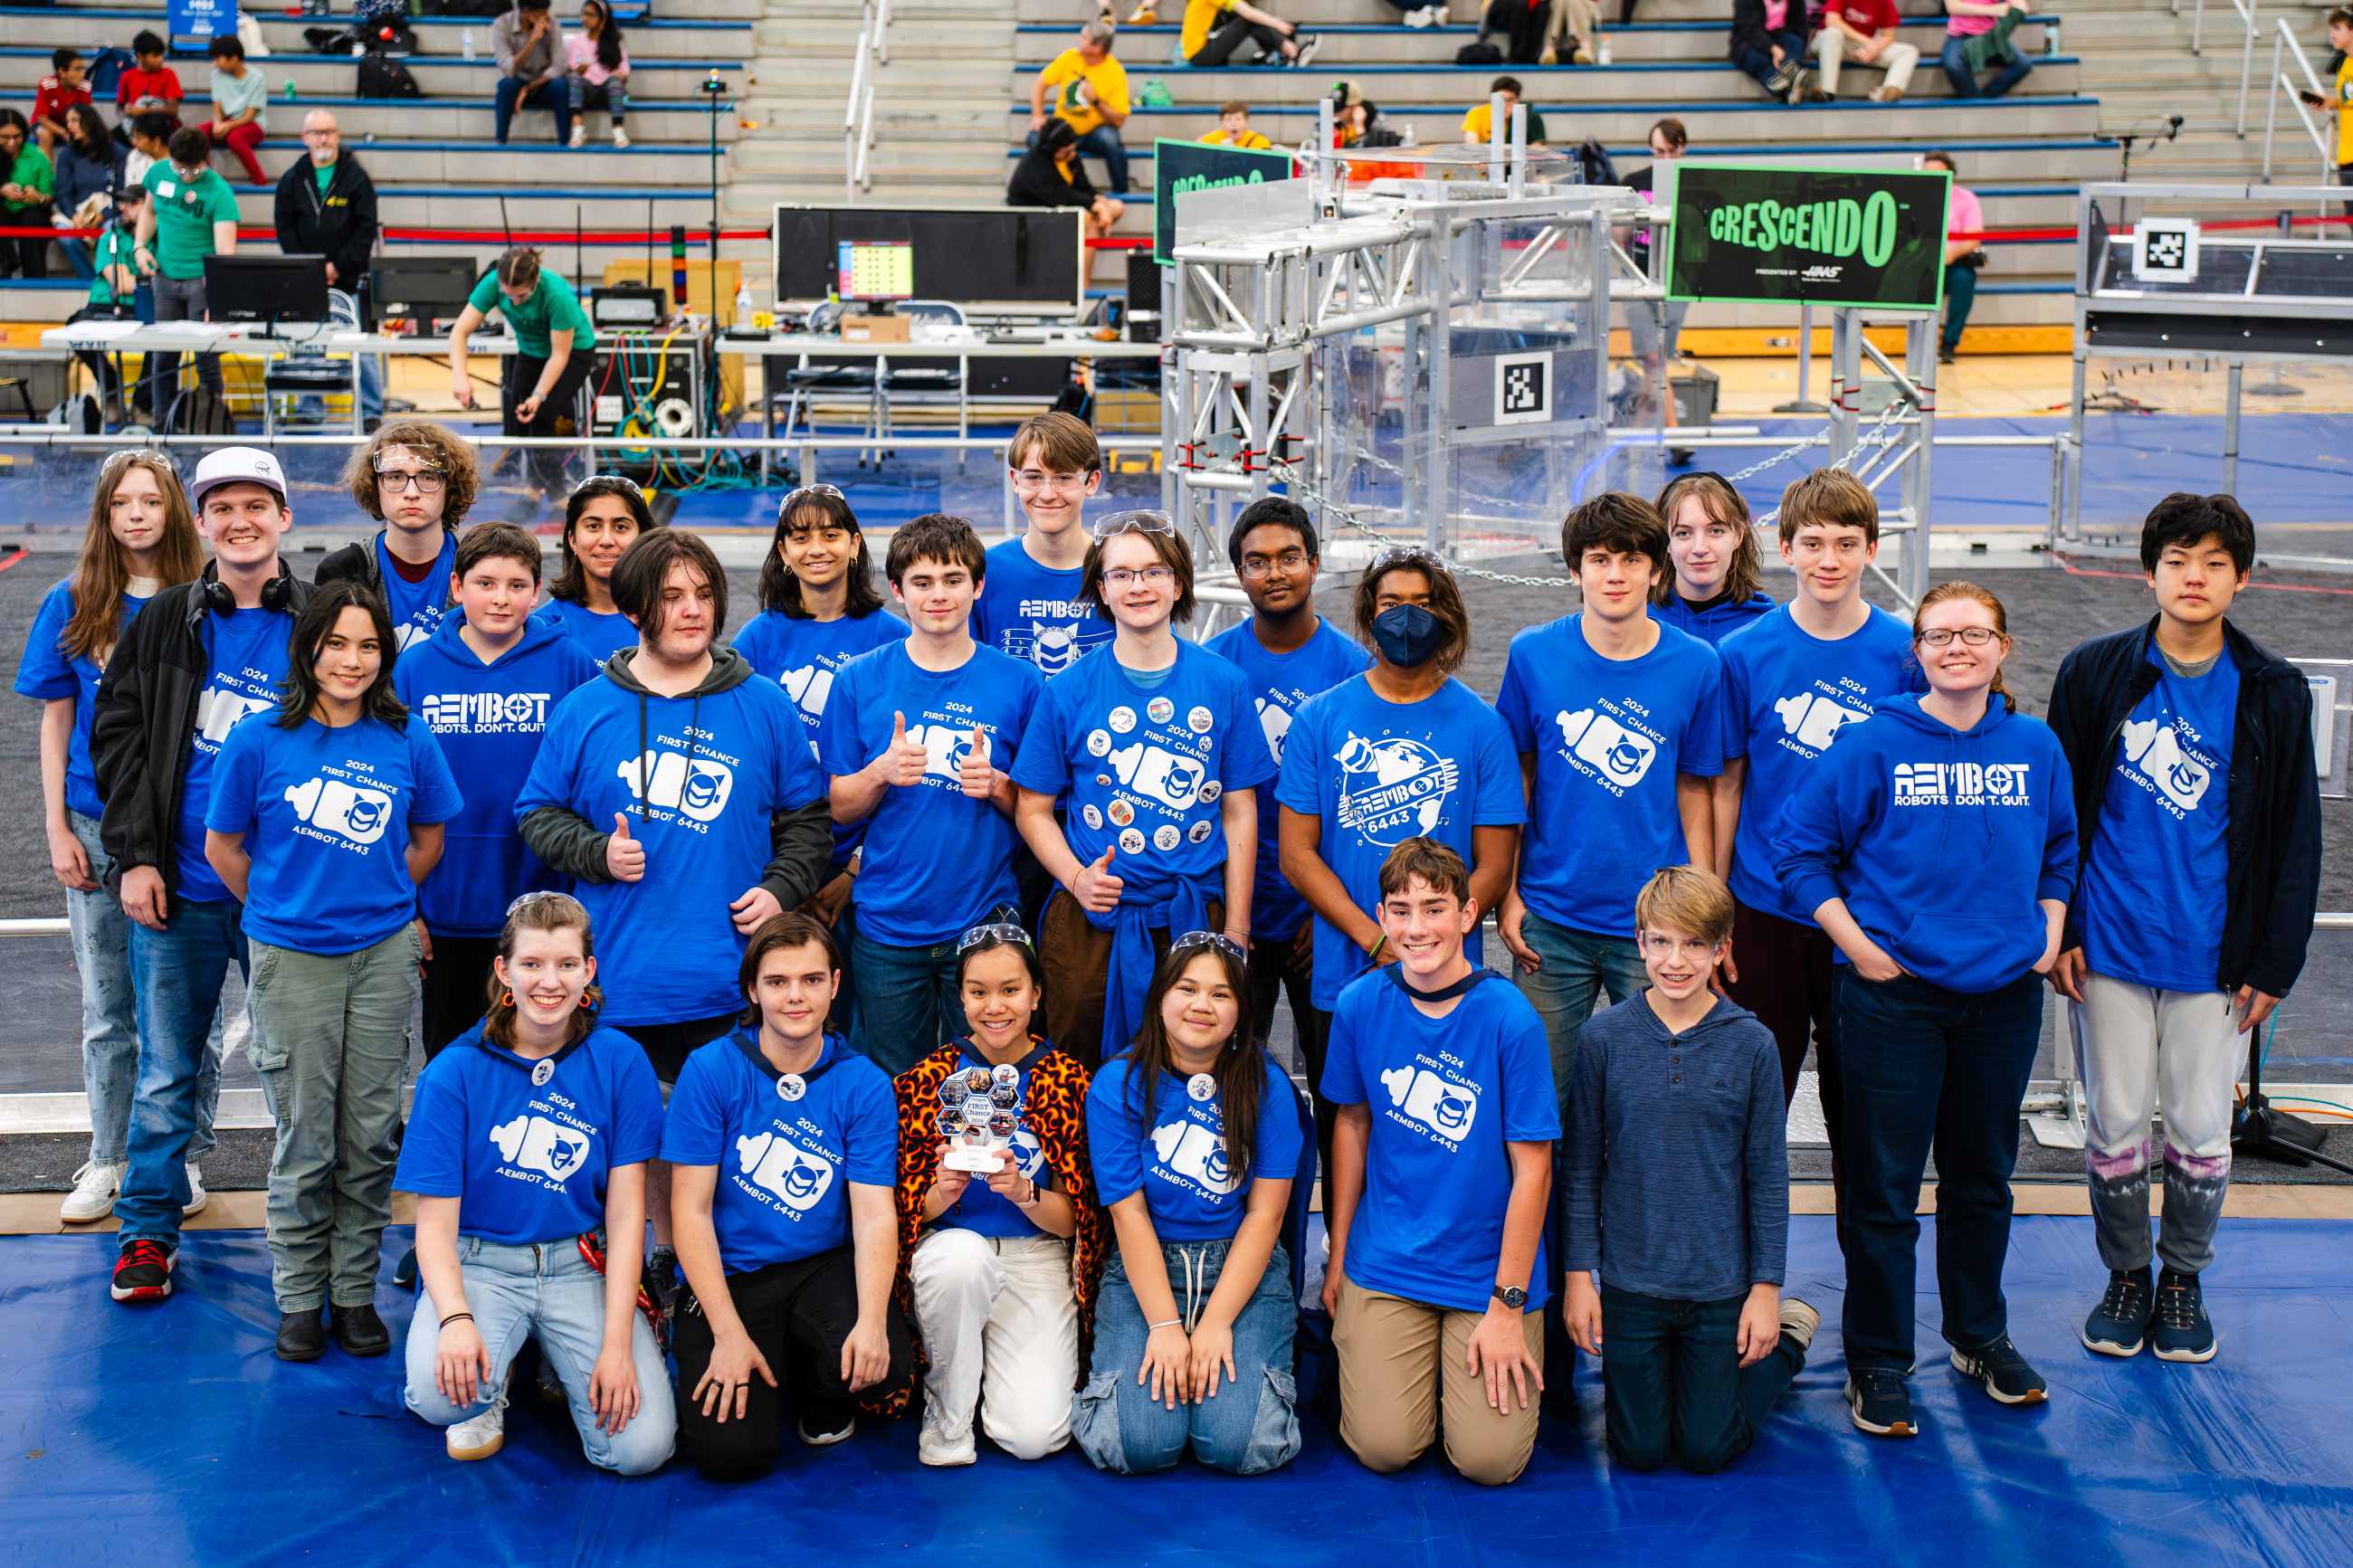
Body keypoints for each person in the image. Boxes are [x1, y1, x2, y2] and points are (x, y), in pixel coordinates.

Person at [1772, 581, 2076, 1440]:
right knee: (1884, 1187)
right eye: (1940, 635)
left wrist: (2049, 930)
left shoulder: (2035, 745)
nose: (1957, 648)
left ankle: (1979, 1336)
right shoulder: (1872, 743)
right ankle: (1878, 1358)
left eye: (1974, 634)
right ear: (1918, 652)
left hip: (2002, 998)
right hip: (1892, 999)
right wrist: (1860, 947)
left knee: (1982, 1178)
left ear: (2003, 648)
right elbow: (1799, 853)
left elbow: (2060, 846)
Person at [516, 529, 832, 1288]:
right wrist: (597, 852)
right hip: (626, 978)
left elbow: (809, 820)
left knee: (734, 1136)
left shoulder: (763, 703)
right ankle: (653, 1263)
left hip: (732, 979)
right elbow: (536, 813)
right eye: (671, 598)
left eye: (703, 594)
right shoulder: (586, 708)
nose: (693, 610)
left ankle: (725, 1273)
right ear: (633, 610)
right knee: (635, 1144)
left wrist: (781, 888)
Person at [2047, 493, 2320, 1365]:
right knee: (2114, 1123)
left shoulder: (2273, 689)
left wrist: (2274, 960)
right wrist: (2062, 927)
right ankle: (2127, 1274)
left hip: (2217, 957)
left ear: (2241, 579)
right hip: (2110, 945)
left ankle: (2183, 1278)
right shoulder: (2094, 672)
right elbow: (2058, 815)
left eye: (2213, 563)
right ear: (2150, 572)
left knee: (2202, 1129)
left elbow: (2297, 835)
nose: (2193, 576)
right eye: (2177, 560)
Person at [204, 581, 461, 1360]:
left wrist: (379, 903)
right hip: (292, 960)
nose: (352, 660)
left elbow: (428, 840)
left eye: (369, 645)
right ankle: (297, 1295)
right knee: (306, 1137)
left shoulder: (406, 738)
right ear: (308, 647)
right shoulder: (258, 739)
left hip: (382, 957)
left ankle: (353, 1292)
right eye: (337, 643)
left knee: (371, 1134)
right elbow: (224, 848)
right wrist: (287, 910)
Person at [94, 447, 315, 1306]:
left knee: (298, 1075)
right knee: (165, 1072)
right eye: (222, 507)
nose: (240, 521)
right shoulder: (166, 620)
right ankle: (147, 1232)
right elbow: (118, 738)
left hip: (287, 894)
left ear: (284, 516)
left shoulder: (322, 619)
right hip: (180, 885)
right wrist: (137, 856)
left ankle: (312, 1234)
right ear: (202, 522)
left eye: (257, 505)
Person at [394, 891, 674, 1471]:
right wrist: (456, 1320)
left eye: (566, 964)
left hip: (582, 1262)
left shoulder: (621, 1061)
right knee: (441, 1397)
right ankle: (493, 1378)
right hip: (482, 1264)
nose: (550, 982)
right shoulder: (454, 1071)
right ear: (504, 971)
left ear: (589, 971)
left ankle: (553, 1352)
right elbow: (435, 1227)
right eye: (532, 964)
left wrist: (616, 1344)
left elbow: (627, 1216)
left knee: (640, 1452)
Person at [1561, 866, 1815, 1475]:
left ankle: (1788, 1342)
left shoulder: (1753, 1044)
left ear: (1722, 949)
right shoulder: (1602, 1038)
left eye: (1695, 944)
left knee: (1706, 1449)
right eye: (1661, 941)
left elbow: (1768, 1173)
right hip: (1633, 1282)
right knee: (1639, 1450)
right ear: (1640, 941)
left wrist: (1765, 1288)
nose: (1675, 961)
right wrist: (1578, 1276)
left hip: (1719, 1283)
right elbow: (1581, 1167)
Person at [1321, 839, 1558, 1487]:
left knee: (1489, 1461)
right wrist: (1338, 1254)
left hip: (1485, 1272)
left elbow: (1534, 1171)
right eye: (1401, 911)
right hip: (1388, 1260)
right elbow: (1352, 1124)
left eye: (1434, 908)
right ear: (1381, 916)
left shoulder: (1510, 1018)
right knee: (1384, 1447)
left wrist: (1507, 1305)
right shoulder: (1359, 1003)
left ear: (1468, 913)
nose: (1417, 927)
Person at [18, 451, 208, 1224]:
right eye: (122, 501)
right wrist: (57, 826)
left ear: (173, 511)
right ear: (104, 513)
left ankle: (183, 1157)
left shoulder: (206, 597)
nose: (136, 514)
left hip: (184, 831)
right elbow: (55, 719)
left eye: (151, 501)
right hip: (98, 827)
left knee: (184, 1005)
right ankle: (108, 1156)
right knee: (109, 1005)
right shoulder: (74, 599)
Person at [1010, 514, 1276, 1066]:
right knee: (1081, 1074)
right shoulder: (1067, 690)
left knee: (1195, 1070)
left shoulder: (1223, 683)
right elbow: (1032, 807)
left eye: (1155, 571)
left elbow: (1239, 810)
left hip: (1193, 913)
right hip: (1093, 921)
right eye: (1122, 574)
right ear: (1101, 589)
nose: (1139, 586)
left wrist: (1236, 927)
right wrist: (1077, 878)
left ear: (1178, 585)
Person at [1712, 468, 1917, 1175]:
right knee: (1749, 1109)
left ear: (1872, 550)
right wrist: (1718, 905)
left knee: (1863, 1116)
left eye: (1846, 543)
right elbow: (1728, 783)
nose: (1829, 560)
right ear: (1785, 548)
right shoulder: (1743, 654)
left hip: (1866, 911)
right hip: (1764, 908)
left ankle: (1867, 1249)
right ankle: (1747, 1249)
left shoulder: (1906, 654)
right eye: (1813, 543)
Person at [1496, 492, 1725, 1119]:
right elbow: (1518, 776)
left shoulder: (1696, 665)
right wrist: (1508, 893)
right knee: (1540, 1104)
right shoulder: (1532, 654)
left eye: (1631, 559)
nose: (1615, 574)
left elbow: (1695, 787)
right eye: (1599, 559)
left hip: (1657, 924)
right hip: (1551, 917)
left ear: (1657, 569)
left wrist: (1704, 909)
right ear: (1576, 571)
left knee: (1659, 1104)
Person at [663, 914, 917, 1478]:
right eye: (777, 981)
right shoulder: (711, 1070)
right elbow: (690, 1211)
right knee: (731, 1457)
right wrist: (727, 1334)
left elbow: (874, 1215)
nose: (795, 996)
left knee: (889, 1366)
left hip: (822, 1266)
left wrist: (871, 1321)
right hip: (733, 1272)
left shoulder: (864, 1083)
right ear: (753, 990)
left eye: (811, 979)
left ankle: (817, 1389)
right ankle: (750, 1353)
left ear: (835, 983)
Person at [1276, 547, 1522, 1055]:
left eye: (1423, 603)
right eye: (1391, 603)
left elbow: (1496, 866)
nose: (1406, 616)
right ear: (1370, 615)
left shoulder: (1484, 727)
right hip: (1345, 974)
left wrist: (1428, 939)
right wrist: (1376, 939)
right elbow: (1297, 855)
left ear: (1445, 614)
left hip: (1448, 978)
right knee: (1339, 1105)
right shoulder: (1318, 718)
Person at [1076, 933, 1302, 1476]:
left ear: (1241, 1010)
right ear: (1160, 997)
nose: (1202, 1005)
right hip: (1149, 1262)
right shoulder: (1118, 1084)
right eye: (1188, 988)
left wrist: (1217, 1322)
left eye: (1221, 994)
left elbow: (1266, 1215)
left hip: (1239, 1265)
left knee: (1239, 1446)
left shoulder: (1267, 1086)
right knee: (1138, 1445)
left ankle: (1221, 1396)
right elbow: (1128, 1214)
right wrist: (1163, 1325)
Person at [824, 515, 1043, 1071]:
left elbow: (1041, 812)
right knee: (896, 1084)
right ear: (897, 591)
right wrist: (879, 772)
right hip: (888, 922)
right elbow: (838, 807)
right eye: (922, 582)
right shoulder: (857, 680)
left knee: (991, 1081)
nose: (938, 595)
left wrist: (998, 786)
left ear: (978, 586)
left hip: (984, 917)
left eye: (952, 579)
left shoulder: (1022, 682)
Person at [892, 925, 1102, 1465]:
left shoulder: (1071, 1082)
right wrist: (942, 1193)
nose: (994, 1006)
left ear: (1036, 994)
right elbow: (904, 1214)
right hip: (952, 1249)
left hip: (1035, 1254)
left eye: (1010, 990)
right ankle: (948, 1411)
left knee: (1033, 1438)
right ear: (960, 998)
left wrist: (1026, 1193)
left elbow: (1075, 1222)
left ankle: (987, 1366)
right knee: (960, 1263)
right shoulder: (923, 1081)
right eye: (978, 991)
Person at [1204, 498, 1368, 1178]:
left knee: (1338, 1086)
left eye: (1289, 558)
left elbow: (1363, 808)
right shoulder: (1213, 667)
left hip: (1320, 919)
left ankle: (1342, 1226)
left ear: (1315, 564)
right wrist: (1229, 914)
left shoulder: (1354, 668)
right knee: (1226, 1081)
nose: (1274, 573)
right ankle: (1241, 1218)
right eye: (1257, 561)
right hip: (1235, 910)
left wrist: (1325, 908)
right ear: (1238, 573)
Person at [394, 522, 599, 1055]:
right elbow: (394, 793)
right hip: (444, 906)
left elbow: (586, 780)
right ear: (457, 587)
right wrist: (408, 905)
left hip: (543, 908)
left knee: (544, 1055)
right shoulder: (415, 668)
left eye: (516, 585)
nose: (501, 599)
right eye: (485, 583)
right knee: (452, 1056)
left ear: (537, 591)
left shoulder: (570, 663)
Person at [731, 484, 909, 1035]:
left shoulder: (894, 637)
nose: (816, 548)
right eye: (800, 537)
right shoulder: (757, 640)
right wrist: (789, 878)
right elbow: (744, 762)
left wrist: (854, 871)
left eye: (831, 534)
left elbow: (907, 771)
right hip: (778, 860)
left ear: (854, 544)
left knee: (861, 1028)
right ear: (782, 552)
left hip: (870, 867)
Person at [449, 247, 597, 503]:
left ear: (535, 280)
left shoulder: (557, 295)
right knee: (519, 412)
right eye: (507, 296)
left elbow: (559, 356)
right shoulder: (492, 282)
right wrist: (460, 376)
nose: (514, 303)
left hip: (573, 352)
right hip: (531, 350)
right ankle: (535, 487)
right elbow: (459, 331)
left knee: (543, 414)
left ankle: (557, 494)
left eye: (521, 296)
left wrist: (538, 396)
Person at [976, 413, 1114, 678]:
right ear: (1015, 480)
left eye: (1064, 478)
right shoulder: (984, 572)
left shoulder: (1123, 571)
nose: (1048, 494)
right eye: (1034, 477)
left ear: (1092, 482)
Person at [317, 423, 476, 652]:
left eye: (428, 477)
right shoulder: (341, 571)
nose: (411, 493)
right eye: (395, 476)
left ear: (449, 487)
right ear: (375, 486)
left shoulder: (479, 568)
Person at [272, 109, 385, 424]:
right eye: (316, 132)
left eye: (329, 132)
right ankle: (309, 409)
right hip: (307, 281)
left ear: (337, 136)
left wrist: (337, 266)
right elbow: (285, 228)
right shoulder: (292, 179)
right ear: (304, 138)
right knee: (308, 344)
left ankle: (371, 411)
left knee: (363, 346)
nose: (323, 138)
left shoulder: (357, 178)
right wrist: (310, 268)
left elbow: (365, 229)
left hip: (350, 279)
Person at [135, 125, 239, 422]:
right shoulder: (158, 174)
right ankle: (161, 425)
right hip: (165, 279)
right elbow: (149, 212)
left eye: (191, 171)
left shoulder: (219, 192)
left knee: (206, 357)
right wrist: (140, 246)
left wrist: (216, 296)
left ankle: (211, 425)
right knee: (163, 359)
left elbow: (224, 252)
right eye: (179, 169)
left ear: (204, 161)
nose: (185, 176)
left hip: (199, 283)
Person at [1619, 119, 1692, 463]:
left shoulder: (1694, 185)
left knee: (1657, 362)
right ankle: (1675, 434)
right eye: (1657, 152)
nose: (1663, 158)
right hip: (1638, 277)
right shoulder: (1635, 183)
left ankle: (1636, 435)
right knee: (1653, 358)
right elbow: (1619, 232)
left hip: (1676, 281)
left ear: (1682, 149)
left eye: (1669, 151)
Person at [542, 474, 661, 660]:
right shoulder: (545, 626)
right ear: (572, 540)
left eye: (620, 527)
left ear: (642, 538)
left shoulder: (669, 620)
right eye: (593, 526)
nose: (606, 540)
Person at [1652, 470, 1772, 646]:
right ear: (1665, 541)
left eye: (1715, 531)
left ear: (1738, 536)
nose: (1700, 548)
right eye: (1683, 533)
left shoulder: (1764, 628)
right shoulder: (1637, 619)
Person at [65, 185, 148, 420]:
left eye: (133, 203)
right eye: (122, 202)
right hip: (104, 304)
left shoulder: (159, 238)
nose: (123, 207)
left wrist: (140, 282)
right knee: (75, 328)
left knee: (165, 343)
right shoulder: (110, 238)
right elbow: (122, 284)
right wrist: (150, 280)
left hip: (143, 306)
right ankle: (111, 389)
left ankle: (144, 402)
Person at [1029, 20, 1132, 195]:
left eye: (1084, 38)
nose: (1078, 40)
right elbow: (1040, 84)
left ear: (1097, 48)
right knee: (1035, 137)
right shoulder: (1070, 57)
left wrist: (1096, 101)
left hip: (1092, 134)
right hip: (1063, 129)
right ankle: (1047, 191)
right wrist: (1038, 116)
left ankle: (1121, 194)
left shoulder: (1115, 71)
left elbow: (1119, 120)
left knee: (1110, 139)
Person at [1005, 118, 1128, 247]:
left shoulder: (1070, 158)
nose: (1072, 154)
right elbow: (1059, 194)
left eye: (1073, 149)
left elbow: (1083, 186)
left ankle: (1077, 254)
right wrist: (1094, 205)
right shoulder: (1034, 164)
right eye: (1067, 151)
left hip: (1061, 208)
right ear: (1053, 149)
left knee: (1116, 206)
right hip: (1033, 216)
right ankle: (1076, 259)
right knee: (1087, 220)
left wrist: (1097, 198)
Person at [51, 103, 125, 283]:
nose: (69, 126)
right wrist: (73, 215)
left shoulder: (117, 152)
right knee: (66, 237)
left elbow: (121, 191)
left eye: (74, 120)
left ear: (90, 122)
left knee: (111, 231)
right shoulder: (67, 154)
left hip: (109, 212)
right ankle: (90, 281)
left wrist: (103, 215)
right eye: (67, 121)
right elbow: (63, 191)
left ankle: (112, 279)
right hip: (78, 212)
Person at [1926, 151, 1982, 366]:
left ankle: (1949, 344)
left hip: (1954, 262)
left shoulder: (1966, 198)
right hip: (1922, 263)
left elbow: (1973, 237)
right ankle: (1922, 343)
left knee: (1963, 281)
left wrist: (1950, 254)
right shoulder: (1913, 197)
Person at [494, 0, 576, 147]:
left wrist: (528, 88)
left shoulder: (553, 23)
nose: (546, 17)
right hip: (517, 80)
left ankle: (564, 143)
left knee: (561, 86)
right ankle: (501, 142)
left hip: (543, 82)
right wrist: (532, 40)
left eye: (547, 12)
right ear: (526, 13)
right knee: (505, 86)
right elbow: (508, 68)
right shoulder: (502, 24)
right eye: (542, 14)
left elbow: (559, 66)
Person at [1814, 0, 1920, 102]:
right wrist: (1867, 42)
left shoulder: (1884, 1)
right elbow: (1832, 21)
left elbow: (1888, 35)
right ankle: (1827, 91)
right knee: (1832, 33)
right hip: (1829, 43)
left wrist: (1875, 48)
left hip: (1862, 47)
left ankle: (1887, 92)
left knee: (1909, 51)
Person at [200, 35, 266, 186]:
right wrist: (217, 123)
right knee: (200, 133)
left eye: (218, 59)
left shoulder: (257, 77)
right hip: (227, 121)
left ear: (234, 58)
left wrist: (228, 126)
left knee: (235, 138)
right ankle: (206, 179)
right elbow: (217, 105)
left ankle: (260, 180)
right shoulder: (216, 75)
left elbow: (250, 115)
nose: (215, 63)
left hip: (253, 123)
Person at [566, 0, 632, 148]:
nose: (585, 18)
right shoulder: (577, 41)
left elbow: (625, 69)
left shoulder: (615, 42)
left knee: (615, 82)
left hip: (607, 91)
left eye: (590, 15)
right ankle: (578, 130)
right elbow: (571, 67)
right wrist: (578, 70)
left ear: (602, 20)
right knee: (574, 79)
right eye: (584, 14)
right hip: (587, 91)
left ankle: (618, 131)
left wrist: (620, 75)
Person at [0, 110, 55, 281]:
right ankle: (6, 265)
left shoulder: (37, 156)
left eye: (17, 137)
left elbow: (48, 196)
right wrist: (2, 189)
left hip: (31, 210)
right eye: (4, 137)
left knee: (32, 218)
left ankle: (34, 279)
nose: (11, 142)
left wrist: (38, 197)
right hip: (3, 209)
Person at [1729, 0, 1820, 102]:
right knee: (1758, 59)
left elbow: (1801, 28)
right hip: (1749, 41)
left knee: (1796, 42)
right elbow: (1749, 29)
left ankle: (1788, 73)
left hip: (1781, 36)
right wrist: (1773, 49)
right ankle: (1789, 86)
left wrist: (1784, 55)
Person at [1180, 1, 1318, 67]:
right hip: (1201, 55)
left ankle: (1278, 51)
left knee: (1247, 15)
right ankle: (1292, 52)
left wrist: (1272, 21)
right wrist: (1275, 23)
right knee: (1247, 19)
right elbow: (1248, 13)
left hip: (1203, 50)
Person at [1940, 0, 2033, 100]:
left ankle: (1983, 100)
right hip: (1960, 35)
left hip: (1989, 36)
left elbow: (2021, 7)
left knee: (2023, 64)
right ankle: (1978, 102)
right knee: (1953, 65)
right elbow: (1953, 7)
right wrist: (1992, 10)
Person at [116, 33, 185, 129]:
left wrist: (143, 111)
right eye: (155, 56)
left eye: (162, 55)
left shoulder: (168, 74)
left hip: (162, 127)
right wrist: (126, 113)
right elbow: (120, 107)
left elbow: (172, 111)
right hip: (135, 127)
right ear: (140, 55)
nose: (161, 59)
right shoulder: (127, 76)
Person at [33, 49, 94, 155]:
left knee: (88, 135)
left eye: (83, 69)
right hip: (47, 124)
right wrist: (63, 133)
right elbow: (42, 118)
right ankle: (47, 166)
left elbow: (86, 117)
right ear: (62, 72)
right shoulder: (47, 85)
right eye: (77, 69)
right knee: (45, 134)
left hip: (72, 124)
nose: (83, 73)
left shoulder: (85, 86)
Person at [1461, 76, 1549, 148]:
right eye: (1501, 100)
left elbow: (1539, 148)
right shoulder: (1477, 113)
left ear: (1518, 100)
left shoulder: (1531, 117)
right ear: (1491, 98)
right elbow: (1472, 146)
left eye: (1510, 100)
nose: (1504, 105)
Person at [124, 110, 173, 192]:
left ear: (156, 141)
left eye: (138, 138)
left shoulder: (177, 164)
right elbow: (129, 190)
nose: (133, 142)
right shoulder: (135, 156)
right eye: (133, 137)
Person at [1200, 100, 1272, 149]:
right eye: (1228, 119)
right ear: (1222, 123)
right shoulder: (1210, 140)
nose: (1233, 123)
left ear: (1246, 122)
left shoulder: (1259, 141)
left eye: (1238, 119)